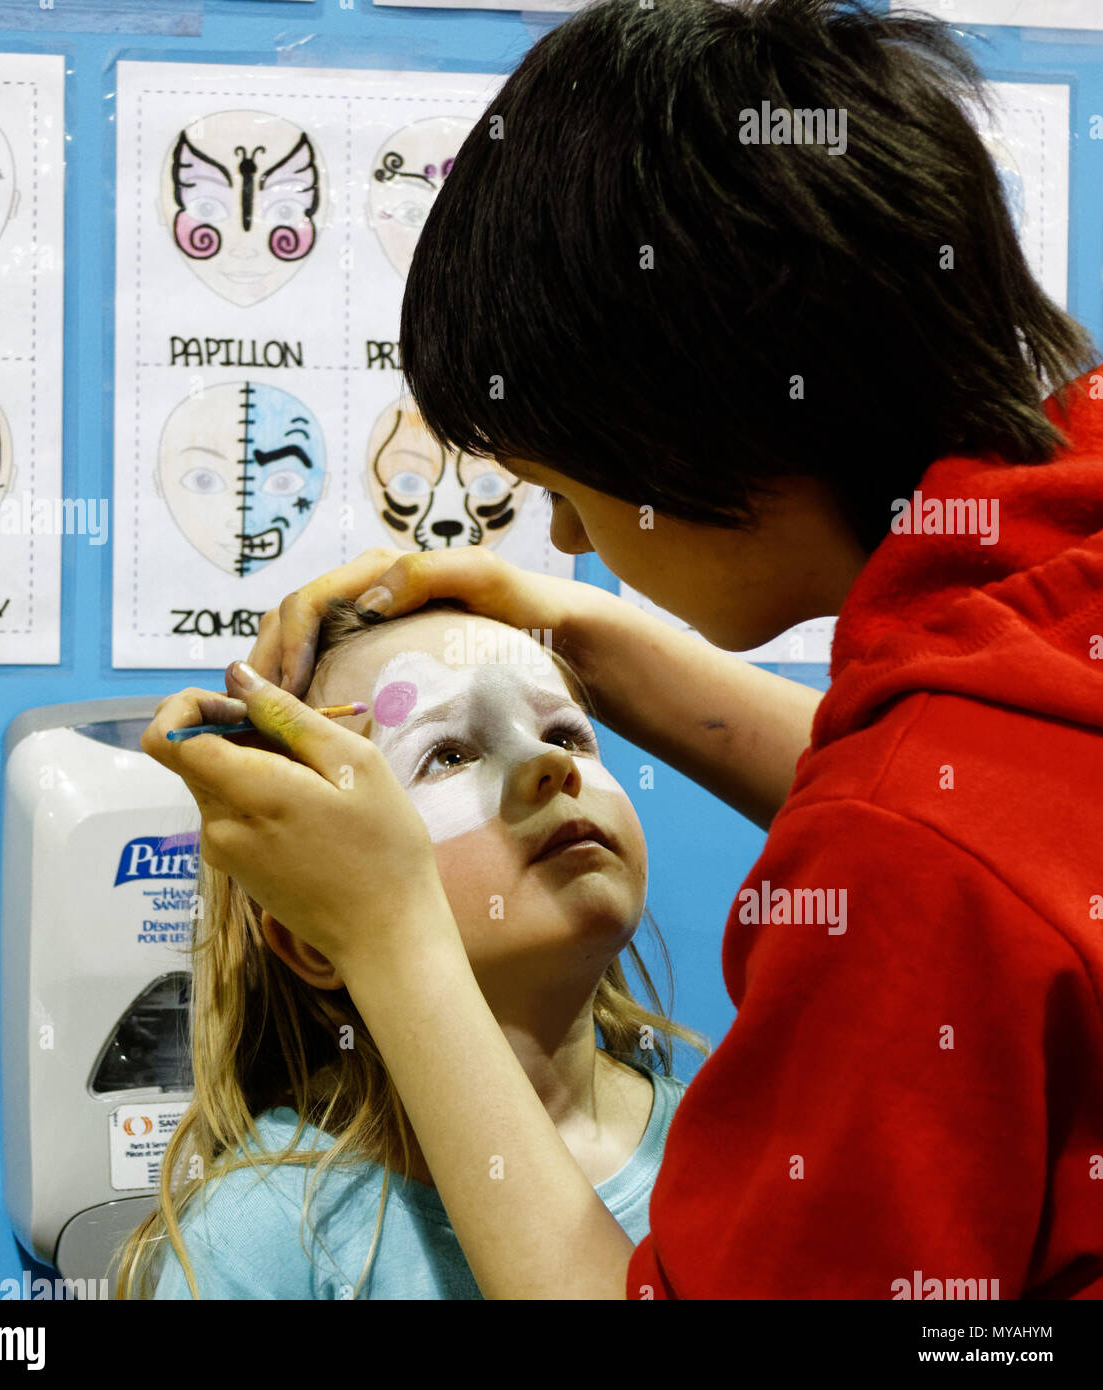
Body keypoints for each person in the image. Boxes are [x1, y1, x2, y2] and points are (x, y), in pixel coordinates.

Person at [142, 0, 1103, 1297]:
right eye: (437, 759)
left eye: (567, 485)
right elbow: (986, 806)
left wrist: (393, 929)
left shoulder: (905, 861)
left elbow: (937, 839)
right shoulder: (1057, 553)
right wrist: (586, 638)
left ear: (686, 425)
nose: (562, 536)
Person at [122, 598, 706, 1299]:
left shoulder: (734, 1148)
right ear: (312, 940)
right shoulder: (264, 1237)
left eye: (565, 732)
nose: (547, 763)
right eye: (448, 754)